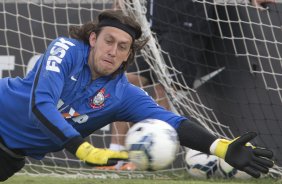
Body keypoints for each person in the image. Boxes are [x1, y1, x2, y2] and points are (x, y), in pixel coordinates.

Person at [0, 9, 274, 182]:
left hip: (9, 156)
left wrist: (221, 147)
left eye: (123, 47)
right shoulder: (67, 50)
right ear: (93, 39)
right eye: (108, 41)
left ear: (128, 55)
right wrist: (83, 149)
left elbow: (174, 124)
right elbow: (40, 104)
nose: (113, 51)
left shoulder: (124, 95)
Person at [107, 0, 277, 171]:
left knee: (166, 88)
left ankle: (150, 158)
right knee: (123, 82)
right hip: (154, 23)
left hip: (185, 20)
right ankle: (116, 156)